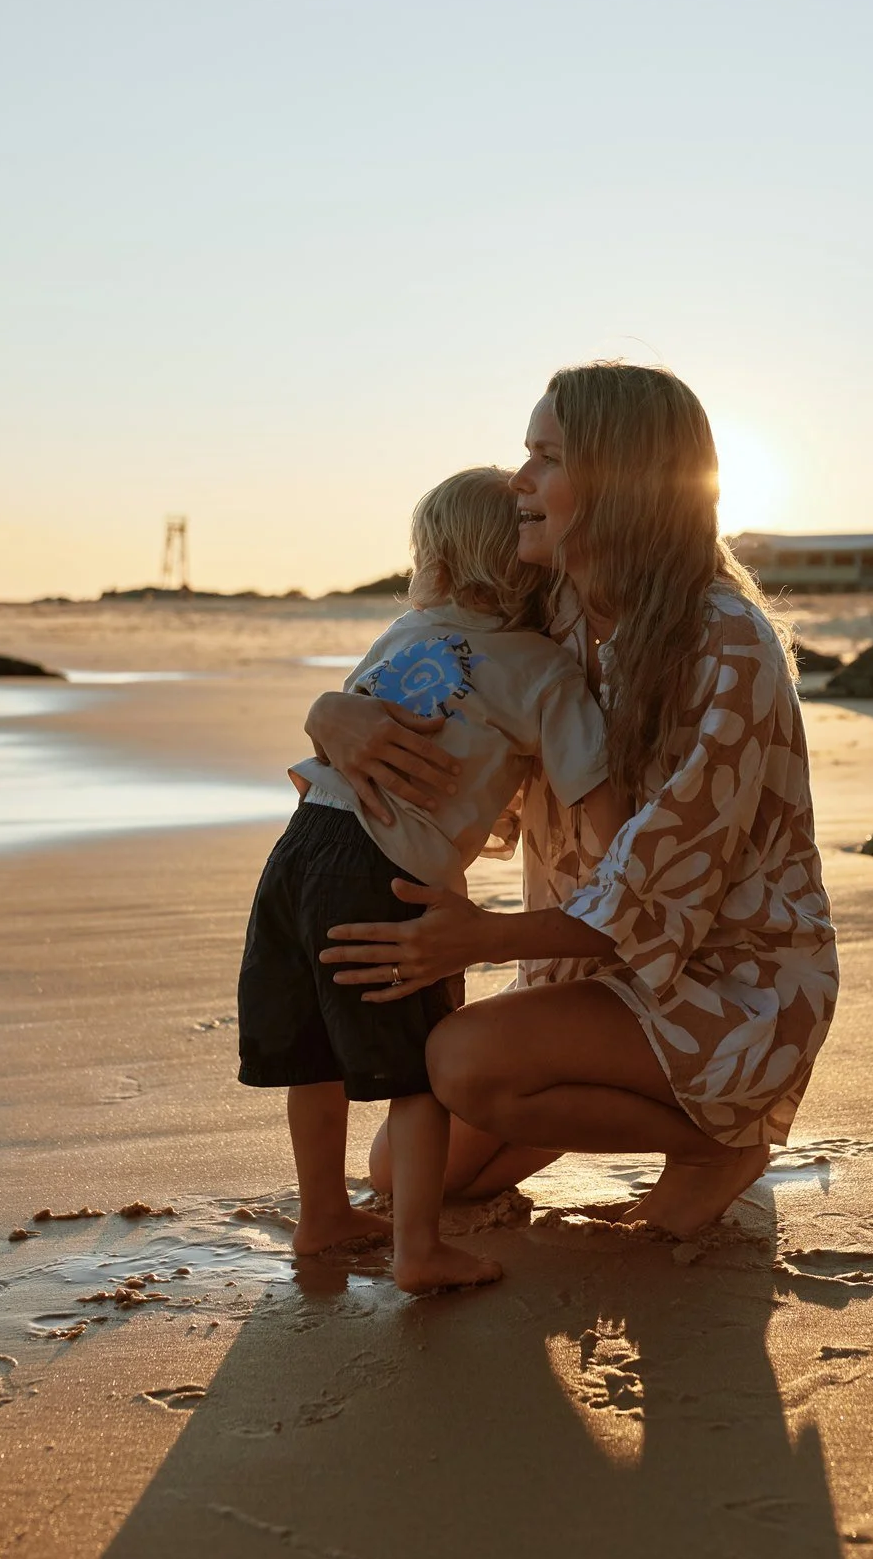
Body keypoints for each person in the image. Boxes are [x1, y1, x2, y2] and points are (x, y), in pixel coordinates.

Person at [314, 362, 840, 1241]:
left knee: (463, 1062)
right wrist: (332, 714)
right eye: (526, 454)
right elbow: (434, 697)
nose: (519, 480)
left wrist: (481, 938)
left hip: (732, 990)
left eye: (546, 457)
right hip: (590, 977)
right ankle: (641, 1100)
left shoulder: (731, 649)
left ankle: (720, 1145)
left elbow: (658, 892)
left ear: (619, 480)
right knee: (404, 1171)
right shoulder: (549, 616)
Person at [236, 466, 624, 1293]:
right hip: (386, 877)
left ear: (437, 562)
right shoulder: (541, 672)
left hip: (299, 851)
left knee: (315, 1057)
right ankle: (417, 1249)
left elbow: (332, 758)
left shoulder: (400, 636)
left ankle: (321, 1216)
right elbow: (593, 785)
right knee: (416, 1074)